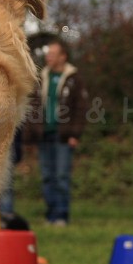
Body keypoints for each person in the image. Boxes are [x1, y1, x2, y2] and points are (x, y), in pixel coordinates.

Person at [23, 39, 88, 226]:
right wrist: (30, 134)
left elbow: (80, 108)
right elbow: (33, 106)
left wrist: (75, 134)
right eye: (48, 54)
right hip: (44, 135)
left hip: (64, 136)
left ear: (63, 57)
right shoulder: (41, 77)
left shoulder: (74, 78)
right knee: (47, 177)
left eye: (53, 54)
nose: (48, 57)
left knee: (61, 176)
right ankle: (50, 215)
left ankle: (61, 216)